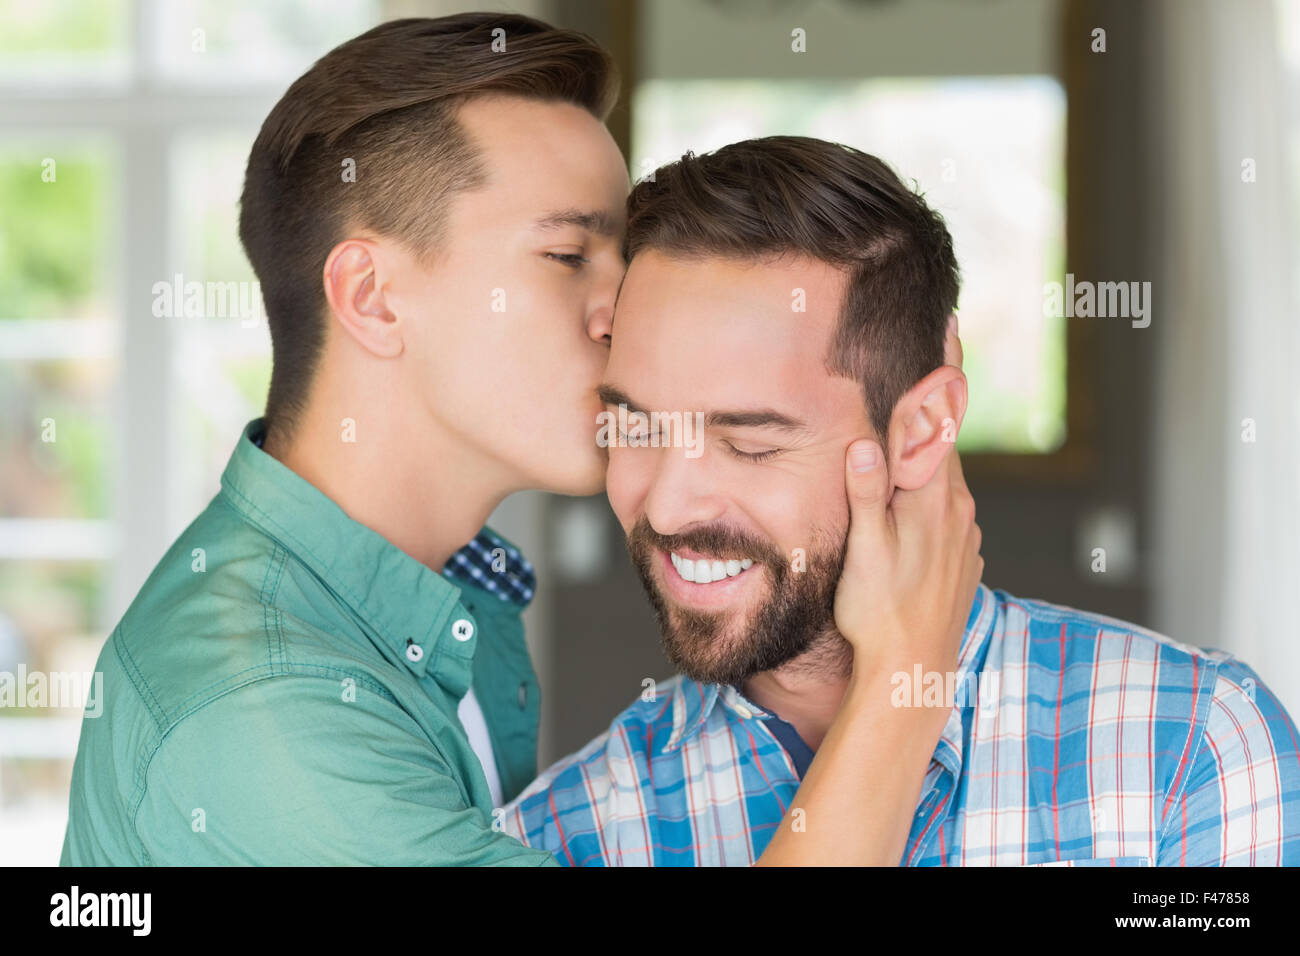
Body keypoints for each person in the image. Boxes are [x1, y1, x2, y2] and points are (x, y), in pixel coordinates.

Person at [60, 15, 979, 866]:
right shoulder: (262, 706)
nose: (628, 308)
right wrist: (906, 677)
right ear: (373, 296)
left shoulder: (459, 598)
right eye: (570, 256)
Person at [500, 135, 1300, 866]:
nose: (667, 508)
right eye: (633, 428)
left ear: (920, 431)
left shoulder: (1192, 747)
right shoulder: (570, 836)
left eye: (750, 443)